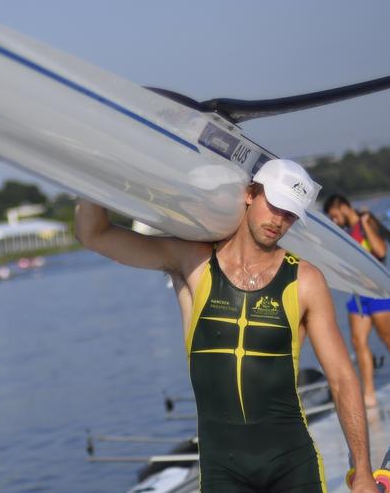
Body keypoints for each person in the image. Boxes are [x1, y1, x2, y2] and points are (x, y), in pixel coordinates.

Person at [75, 158, 377, 493]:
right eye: (274, 205)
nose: (279, 220)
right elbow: (94, 234)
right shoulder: (194, 264)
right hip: (223, 472)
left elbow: (341, 378)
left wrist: (361, 469)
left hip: (293, 465)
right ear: (250, 194)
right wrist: (96, 163)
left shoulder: (305, 281)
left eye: (290, 214)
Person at [324, 194, 390, 408]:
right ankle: (368, 394)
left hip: (379, 293)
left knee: (387, 340)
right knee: (357, 341)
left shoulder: (366, 222)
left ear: (342, 207)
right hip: (359, 295)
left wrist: (365, 224)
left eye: (334, 216)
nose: (334, 220)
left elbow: (380, 251)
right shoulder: (346, 233)